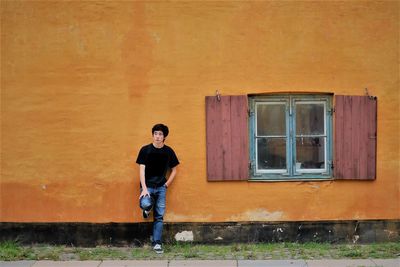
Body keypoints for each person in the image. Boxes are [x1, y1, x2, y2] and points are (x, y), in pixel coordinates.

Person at [136, 123, 179, 254]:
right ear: (153, 135)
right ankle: (147, 209)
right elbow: (141, 171)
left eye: (160, 134)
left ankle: (157, 243)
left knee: (159, 216)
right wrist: (144, 189)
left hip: (161, 187)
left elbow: (175, 170)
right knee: (145, 203)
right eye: (155, 133)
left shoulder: (168, 151)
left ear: (164, 137)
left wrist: (166, 185)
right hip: (147, 186)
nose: (157, 136)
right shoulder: (145, 150)